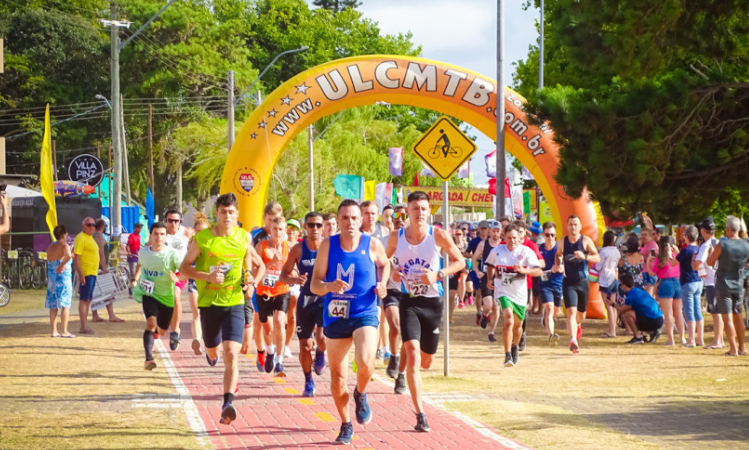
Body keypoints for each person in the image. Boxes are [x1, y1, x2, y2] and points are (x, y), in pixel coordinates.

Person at [179, 193, 265, 425]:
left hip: (235, 302)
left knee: (232, 354)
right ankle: (210, 354)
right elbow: (184, 269)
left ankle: (227, 403)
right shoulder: (203, 238)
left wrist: (251, 284)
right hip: (209, 304)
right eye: (223, 212)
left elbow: (258, 265)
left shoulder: (243, 237)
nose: (227, 216)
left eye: (231, 212)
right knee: (214, 352)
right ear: (216, 213)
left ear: (237, 214)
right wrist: (207, 275)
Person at [310, 199, 390, 444]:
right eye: (345, 218)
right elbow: (314, 284)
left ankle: (361, 393)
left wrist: (383, 283)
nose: (350, 223)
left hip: (364, 311)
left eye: (354, 218)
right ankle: (345, 424)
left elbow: (385, 265)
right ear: (337, 220)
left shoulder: (372, 244)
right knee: (337, 377)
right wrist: (328, 286)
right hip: (335, 315)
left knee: (366, 363)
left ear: (362, 219)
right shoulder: (327, 246)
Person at [387, 191, 465, 432]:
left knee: (426, 361)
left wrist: (438, 273)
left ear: (429, 211)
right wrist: (392, 272)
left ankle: (400, 370)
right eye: (415, 208)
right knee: (412, 353)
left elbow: (460, 261)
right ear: (407, 212)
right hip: (409, 300)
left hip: (433, 302)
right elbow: (381, 260)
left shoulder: (438, 235)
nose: (419, 213)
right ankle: (420, 414)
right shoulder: (396, 237)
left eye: (423, 208)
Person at [280, 212, 326, 397]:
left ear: (323, 227)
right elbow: (283, 275)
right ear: (305, 227)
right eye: (311, 225)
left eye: (318, 225)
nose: (314, 229)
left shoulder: (329, 247)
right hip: (305, 300)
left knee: (322, 338)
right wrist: (294, 279)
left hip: (324, 298)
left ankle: (321, 354)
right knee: (305, 346)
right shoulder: (298, 249)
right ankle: (308, 380)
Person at [485, 223, 542, 367]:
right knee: (509, 320)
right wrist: (489, 279)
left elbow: (538, 271)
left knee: (518, 326)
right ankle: (507, 354)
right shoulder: (497, 251)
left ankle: (515, 346)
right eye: (509, 238)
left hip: (520, 294)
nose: (512, 241)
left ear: (520, 237)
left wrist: (524, 271)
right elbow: (490, 265)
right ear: (504, 237)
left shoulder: (527, 252)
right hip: (502, 291)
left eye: (515, 238)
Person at [131, 222, 184, 370]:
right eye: (156, 234)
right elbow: (140, 265)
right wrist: (135, 279)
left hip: (166, 297)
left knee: (161, 330)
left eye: (162, 234)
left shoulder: (172, 254)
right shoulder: (143, 252)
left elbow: (184, 270)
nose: (159, 237)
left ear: (166, 236)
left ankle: (157, 334)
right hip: (149, 294)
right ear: (150, 235)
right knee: (151, 323)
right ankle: (149, 359)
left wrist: (178, 278)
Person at [552, 215, 600, 353]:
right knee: (571, 312)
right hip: (568, 282)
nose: (573, 227)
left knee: (581, 314)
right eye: (571, 224)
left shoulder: (585, 241)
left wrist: (584, 256)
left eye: (575, 224)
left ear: (580, 227)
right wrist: (558, 264)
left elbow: (597, 257)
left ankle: (578, 325)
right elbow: (558, 254)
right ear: (567, 226)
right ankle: (573, 340)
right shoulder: (562, 241)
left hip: (583, 281)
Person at [706, 215, 749, 357]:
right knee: (738, 315)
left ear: (729, 229)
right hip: (738, 283)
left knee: (727, 318)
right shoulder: (746, 245)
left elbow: (711, 262)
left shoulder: (722, 245)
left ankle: (733, 349)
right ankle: (742, 348)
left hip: (723, 284)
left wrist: (711, 253)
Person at [255, 216, 291, 376]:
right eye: (275, 229)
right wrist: (271, 262)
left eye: (281, 229)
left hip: (281, 290)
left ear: (285, 231)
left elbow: (292, 267)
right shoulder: (260, 247)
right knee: (267, 328)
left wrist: (295, 273)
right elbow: (256, 271)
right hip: (263, 292)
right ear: (270, 229)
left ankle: (279, 362)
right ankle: (269, 351)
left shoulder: (287, 247)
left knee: (279, 322)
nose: (277, 232)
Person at [250, 201, 283, 370]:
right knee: (259, 320)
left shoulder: (282, 235)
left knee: (278, 321)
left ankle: (276, 352)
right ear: (264, 219)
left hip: (278, 286)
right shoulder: (256, 235)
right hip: (260, 284)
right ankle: (261, 350)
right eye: (270, 220)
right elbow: (250, 260)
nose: (272, 224)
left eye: (276, 219)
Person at [381, 203, 408, 394]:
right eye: (394, 217)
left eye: (402, 216)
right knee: (395, 325)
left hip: (411, 292)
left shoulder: (417, 241)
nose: (398, 219)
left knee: (409, 336)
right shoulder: (382, 242)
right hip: (391, 290)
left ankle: (402, 375)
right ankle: (394, 355)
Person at [361, 200, 390, 361]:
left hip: (378, 283)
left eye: (373, 213)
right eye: (366, 213)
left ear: (377, 215)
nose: (370, 216)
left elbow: (388, 257)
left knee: (379, 317)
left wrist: (384, 282)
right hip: (360, 284)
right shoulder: (356, 233)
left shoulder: (384, 231)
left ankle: (376, 350)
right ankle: (367, 351)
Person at [647, 236, 684, 346]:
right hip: (677, 283)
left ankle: (671, 339)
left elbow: (651, 273)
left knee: (668, 313)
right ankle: (682, 338)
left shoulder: (659, 260)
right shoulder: (676, 257)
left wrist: (649, 261)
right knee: (678, 313)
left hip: (665, 283)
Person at [607, 274, 664, 344]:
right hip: (659, 319)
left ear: (624, 286)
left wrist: (612, 304)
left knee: (627, 314)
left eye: (621, 285)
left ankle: (638, 337)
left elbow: (622, 309)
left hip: (654, 321)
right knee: (633, 312)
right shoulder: (637, 291)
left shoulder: (631, 296)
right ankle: (651, 332)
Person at [164, 208, 192, 351]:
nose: (173, 224)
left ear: (180, 221)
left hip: (180, 272)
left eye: (176, 221)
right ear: (166, 221)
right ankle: (173, 327)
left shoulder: (186, 232)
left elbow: (199, 234)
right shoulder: (162, 234)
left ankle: (175, 331)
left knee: (176, 298)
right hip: (164, 273)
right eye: (170, 221)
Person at [514, 219, 544, 351]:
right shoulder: (506, 244)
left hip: (525, 284)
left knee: (522, 311)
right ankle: (514, 334)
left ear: (525, 233)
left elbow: (541, 263)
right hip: (507, 285)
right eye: (516, 232)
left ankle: (521, 335)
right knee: (510, 313)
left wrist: (530, 267)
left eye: (521, 232)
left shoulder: (530, 245)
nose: (519, 236)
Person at [472, 220, 503, 342]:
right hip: (486, 277)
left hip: (500, 278)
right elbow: (474, 258)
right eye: (493, 231)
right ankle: (484, 314)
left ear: (501, 232)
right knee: (489, 305)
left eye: (497, 231)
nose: (495, 234)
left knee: (496, 307)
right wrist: (477, 271)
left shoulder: (503, 245)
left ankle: (491, 332)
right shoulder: (483, 244)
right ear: (489, 232)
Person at [695, 218, 722, 349]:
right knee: (719, 313)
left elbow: (697, 264)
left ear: (703, 231)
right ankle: (719, 339)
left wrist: (693, 260)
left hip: (711, 282)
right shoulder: (718, 243)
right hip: (719, 281)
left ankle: (717, 341)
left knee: (716, 313)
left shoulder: (706, 246)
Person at [91, 218, 123, 323]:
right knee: (108, 291)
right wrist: (104, 268)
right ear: (103, 226)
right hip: (100, 268)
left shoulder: (92, 236)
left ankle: (95, 315)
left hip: (94, 267)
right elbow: (100, 253)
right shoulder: (99, 237)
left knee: (95, 292)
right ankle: (111, 315)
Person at [46, 225, 75, 338]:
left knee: (53, 304)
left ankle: (54, 330)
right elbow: (68, 256)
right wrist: (62, 264)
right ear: (64, 234)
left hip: (52, 277)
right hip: (63, 277)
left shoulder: (50, 246)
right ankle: (64, 330)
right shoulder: (64, 245)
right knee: (65, 304)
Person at [73, 217, 101, 335]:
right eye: (89, 225)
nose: (92, 227)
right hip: (86, 273)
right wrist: (80, 274)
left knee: (88, 299)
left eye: (94, 225)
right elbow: (76, 258)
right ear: (83, 226)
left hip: (92, 273)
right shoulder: (81, 238)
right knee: (84, 300)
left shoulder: (90, 238)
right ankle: (83, 326)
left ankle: (84, 324)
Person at [677, 226, 704, 347]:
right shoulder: (699, 249)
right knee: (697, 311)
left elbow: (674, 262)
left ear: (686, 237)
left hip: (688, 281)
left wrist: (670, 252)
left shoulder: (685, 250)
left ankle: (691, 340)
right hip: (698, 281)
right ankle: (700, 339)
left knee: (689, 312)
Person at [188, 213, 210, 355]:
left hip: (209, 282)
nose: (201, 234)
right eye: (198, 231)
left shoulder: (213, 243)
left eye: (204, 231)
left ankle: (209, 343)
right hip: (194, 282)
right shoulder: (191, 244)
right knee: (196, 313)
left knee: (207, 315)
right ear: (195, 231)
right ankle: (197, 340)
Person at [539, 222, 563, 345]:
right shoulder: (539, 249)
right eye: (547, 235)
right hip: (544, 284)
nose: (550, 238)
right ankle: (551, 336)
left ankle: (548, 319)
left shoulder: (560, 248)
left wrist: (561, 268)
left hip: (558, 284)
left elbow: (566, 266)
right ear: (543, 234)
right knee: (549, 308)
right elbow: (535, 267)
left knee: (555, 312)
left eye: (552, 235)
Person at [283, 218, 302, 361]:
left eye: (294, 228)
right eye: (288, 226)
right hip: (281, 282)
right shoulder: (280, 245)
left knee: (292, 316)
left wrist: (297, 271)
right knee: (279, 317)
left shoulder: (301, 248)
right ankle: (276, 343)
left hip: (295, 283)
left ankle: (286, 345)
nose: (291, 229)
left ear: (298, 232)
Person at [598, 231, 622, 338]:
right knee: (613, 305)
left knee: (608, 306)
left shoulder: (603, 251)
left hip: (604, 279)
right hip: (614, 277)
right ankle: (614, 327)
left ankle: (612, 330)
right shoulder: (617, 251)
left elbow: (598, 266)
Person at [465, 221, 489, 324]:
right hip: (477, 268)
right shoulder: (474, 241)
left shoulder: (491, 241)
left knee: (488, 293)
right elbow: (465, 253)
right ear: (478, 229)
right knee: (479, 292)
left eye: (485, 228)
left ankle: (486, 313)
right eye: (482, 229)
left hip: (489, 269)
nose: (483, 231)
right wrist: (474, 256)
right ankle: (479, 313)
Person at [639, 228, 659, 297]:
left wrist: (641, 256)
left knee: (648, 296)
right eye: (642, 235)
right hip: (645, 271)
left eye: (645, 235)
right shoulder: (647, 245)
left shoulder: (653, 245)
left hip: (650, 272)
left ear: (651, 236)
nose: (643, 236)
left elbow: (652, 258)